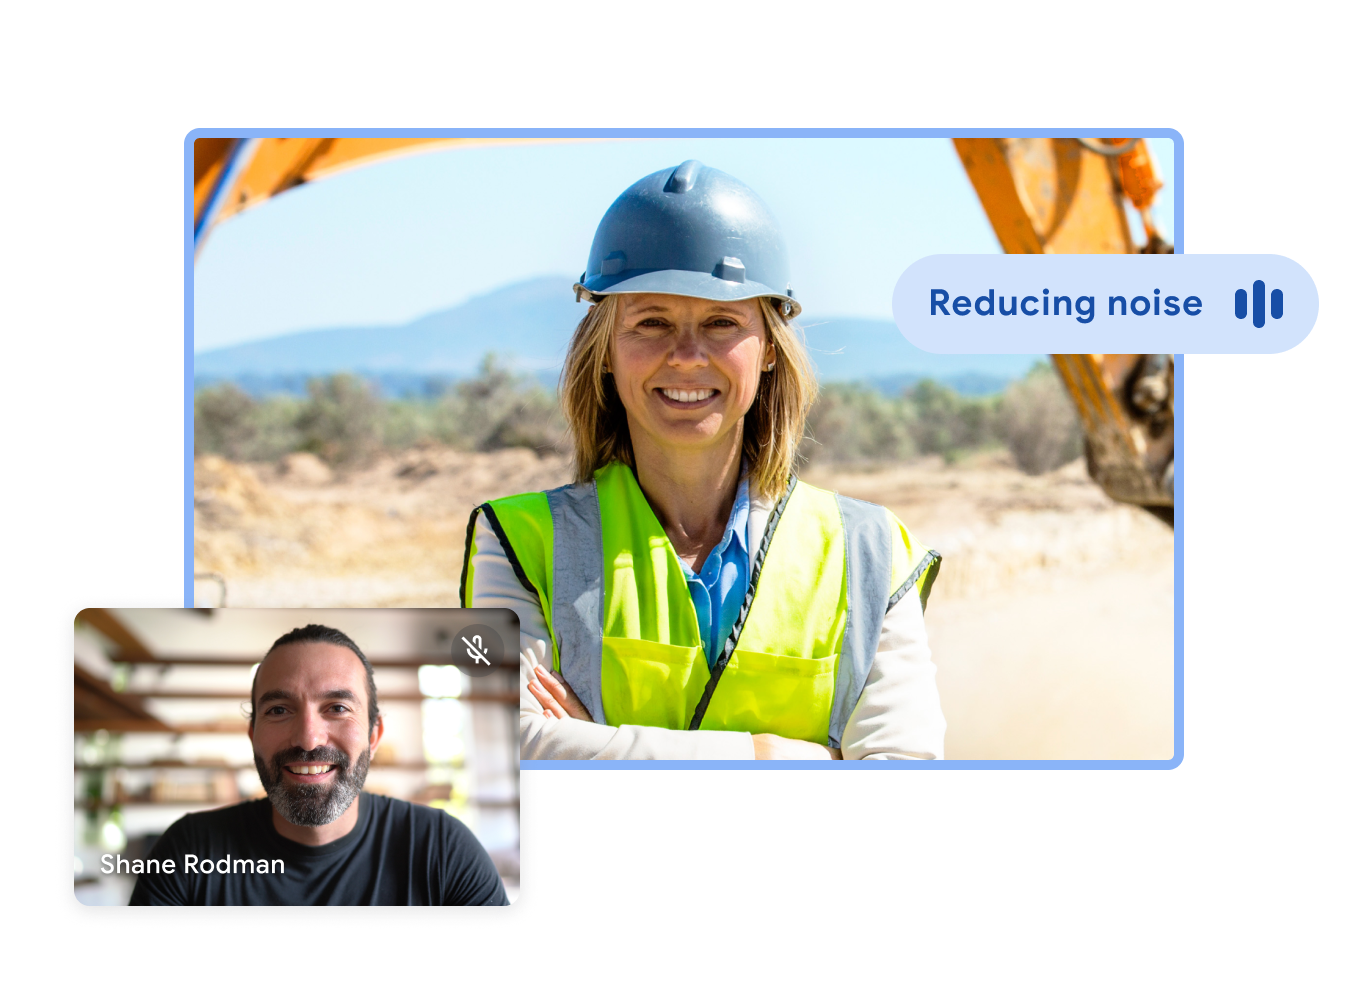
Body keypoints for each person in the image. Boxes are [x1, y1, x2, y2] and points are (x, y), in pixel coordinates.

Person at [462, 160, 946, 760]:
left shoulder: (869, 551)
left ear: (769, 347)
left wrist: (600, 747)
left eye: (721, 322)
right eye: (651, 322)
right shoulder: (519, 542)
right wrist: (775, 753)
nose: (687, 356)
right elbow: (498, 750)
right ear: (605, 350)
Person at [129, 624, 508, 905]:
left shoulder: (444, 852)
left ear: (374, 736)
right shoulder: (188, 854)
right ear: (252, 735)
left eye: (338, 708)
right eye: (279, 710)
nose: (309, 739)